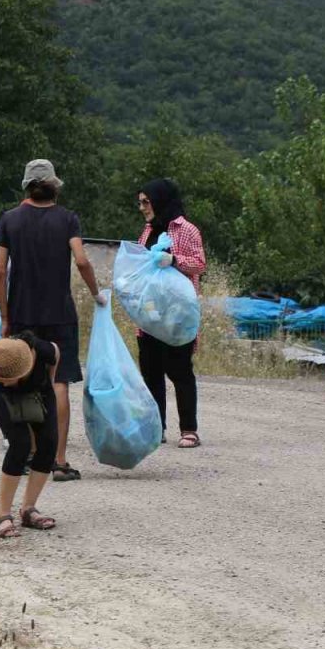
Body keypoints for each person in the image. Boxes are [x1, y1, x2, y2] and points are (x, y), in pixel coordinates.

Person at [0, 159, 104, 482]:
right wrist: (96, 292)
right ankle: (58, 460)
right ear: (54, 185)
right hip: (59, 314)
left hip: (22, 314)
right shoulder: (68, 219)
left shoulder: (9, 220)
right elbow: (81, 260)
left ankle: (28, 454)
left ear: (26, 185)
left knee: (24, 381)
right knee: (58, 383)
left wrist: (5, 316)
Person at [136, 179, 207, 449]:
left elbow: (199, 264)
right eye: (140, 202)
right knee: (151, 370)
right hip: (151, 312)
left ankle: (189, 428)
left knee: (179, 370)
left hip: (178, 314)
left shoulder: (186, 229)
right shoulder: (148, 230)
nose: (142, 208)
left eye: (146, 202)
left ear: (160, 200)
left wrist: (174, 261)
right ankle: (158, 427)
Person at [0, 336, 62, 537]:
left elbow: (56, 352)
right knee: (20, 443)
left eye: (6, 380)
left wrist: (47, 386)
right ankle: (2, 514)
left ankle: (28, 509)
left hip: (38, 386)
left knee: (49, 442)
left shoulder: (44, 351)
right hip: (3, 400)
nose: (2, 383)